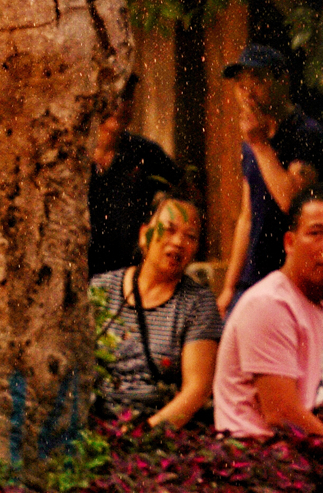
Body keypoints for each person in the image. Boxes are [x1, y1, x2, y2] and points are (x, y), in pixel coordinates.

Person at [212, 186, 323, 438]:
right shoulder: (268, 304)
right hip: (255, 453)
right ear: (290, 242)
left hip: (303, 448)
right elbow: (281, 414)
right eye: (316, 233)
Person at [91, 196, 222, 427]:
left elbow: (197, 389)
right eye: (169, 230)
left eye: (190, 236)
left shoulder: (198, 303)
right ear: (145, 235)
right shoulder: (102, 289)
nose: (179, 242)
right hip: (95, 428)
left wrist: (144, 434)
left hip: (158, 434)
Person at [215, 44, 323, 311]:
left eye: (257, 80)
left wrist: (260, 145)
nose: (247, 91)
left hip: (289, 280)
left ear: (282, 81)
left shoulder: (306, 133)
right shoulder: (252, 139)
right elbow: (247, 216)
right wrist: (229, 286)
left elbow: (293, 204)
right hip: (250, 280)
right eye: (240, 83)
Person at [88, 73, 186, 275]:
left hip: (131, 275)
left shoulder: (145, 153)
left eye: (127, 97)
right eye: (113, 97)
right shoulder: (72, 155)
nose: (120, 105)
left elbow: (186, 194)